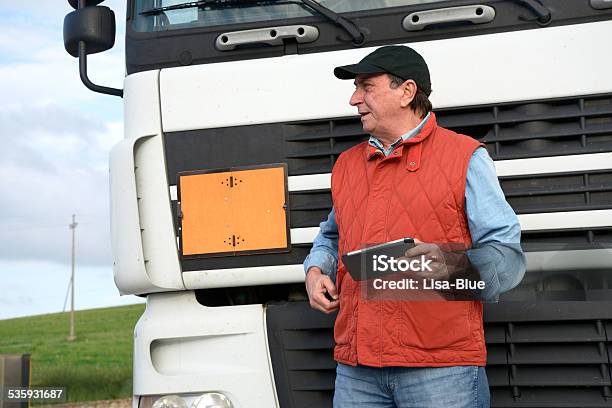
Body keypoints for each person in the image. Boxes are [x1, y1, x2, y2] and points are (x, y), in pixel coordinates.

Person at [303, 46, 526, 408]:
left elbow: (508, 257)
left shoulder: (465, 157)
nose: (353, 99)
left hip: (441, 368)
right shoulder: (346, 166)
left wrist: (448, 265)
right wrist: (315, 270)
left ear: (406, 92)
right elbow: (331, 236)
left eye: (366, 87)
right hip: (356, 368)